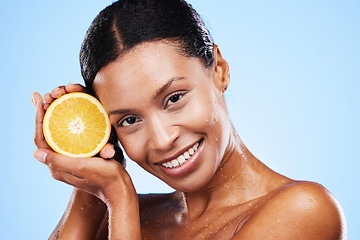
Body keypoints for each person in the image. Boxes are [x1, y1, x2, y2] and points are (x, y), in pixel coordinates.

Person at [32, 0, 346, 239]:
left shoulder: (305, 210)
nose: (162, 139)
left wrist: (119, 199)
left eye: (174, 98)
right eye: (128, 120)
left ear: (219, 69)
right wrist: (87, 166)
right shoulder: (129, 215)